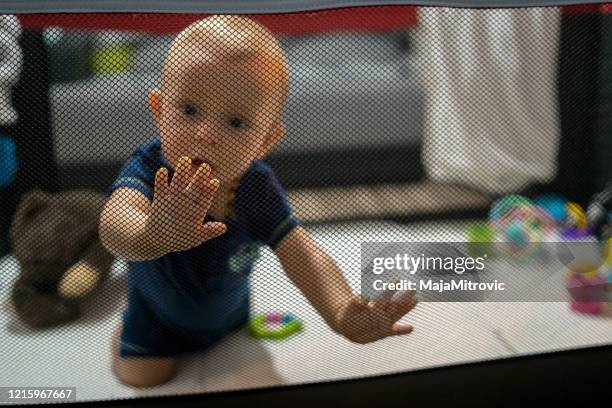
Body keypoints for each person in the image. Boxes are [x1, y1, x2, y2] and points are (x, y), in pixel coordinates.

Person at [99, 15, 417, 388]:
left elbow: (304, 255)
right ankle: (122, 326)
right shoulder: (150, 167)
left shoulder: (255, 189)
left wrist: (342, 312)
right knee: (145, 378)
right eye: (188, 110)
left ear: (265, 141)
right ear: (159, 110)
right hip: (156, 317)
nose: (205, 135)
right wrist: (153, 233)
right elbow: (114, 224)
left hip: (229, 315)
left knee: (242, 365)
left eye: (235, 123)